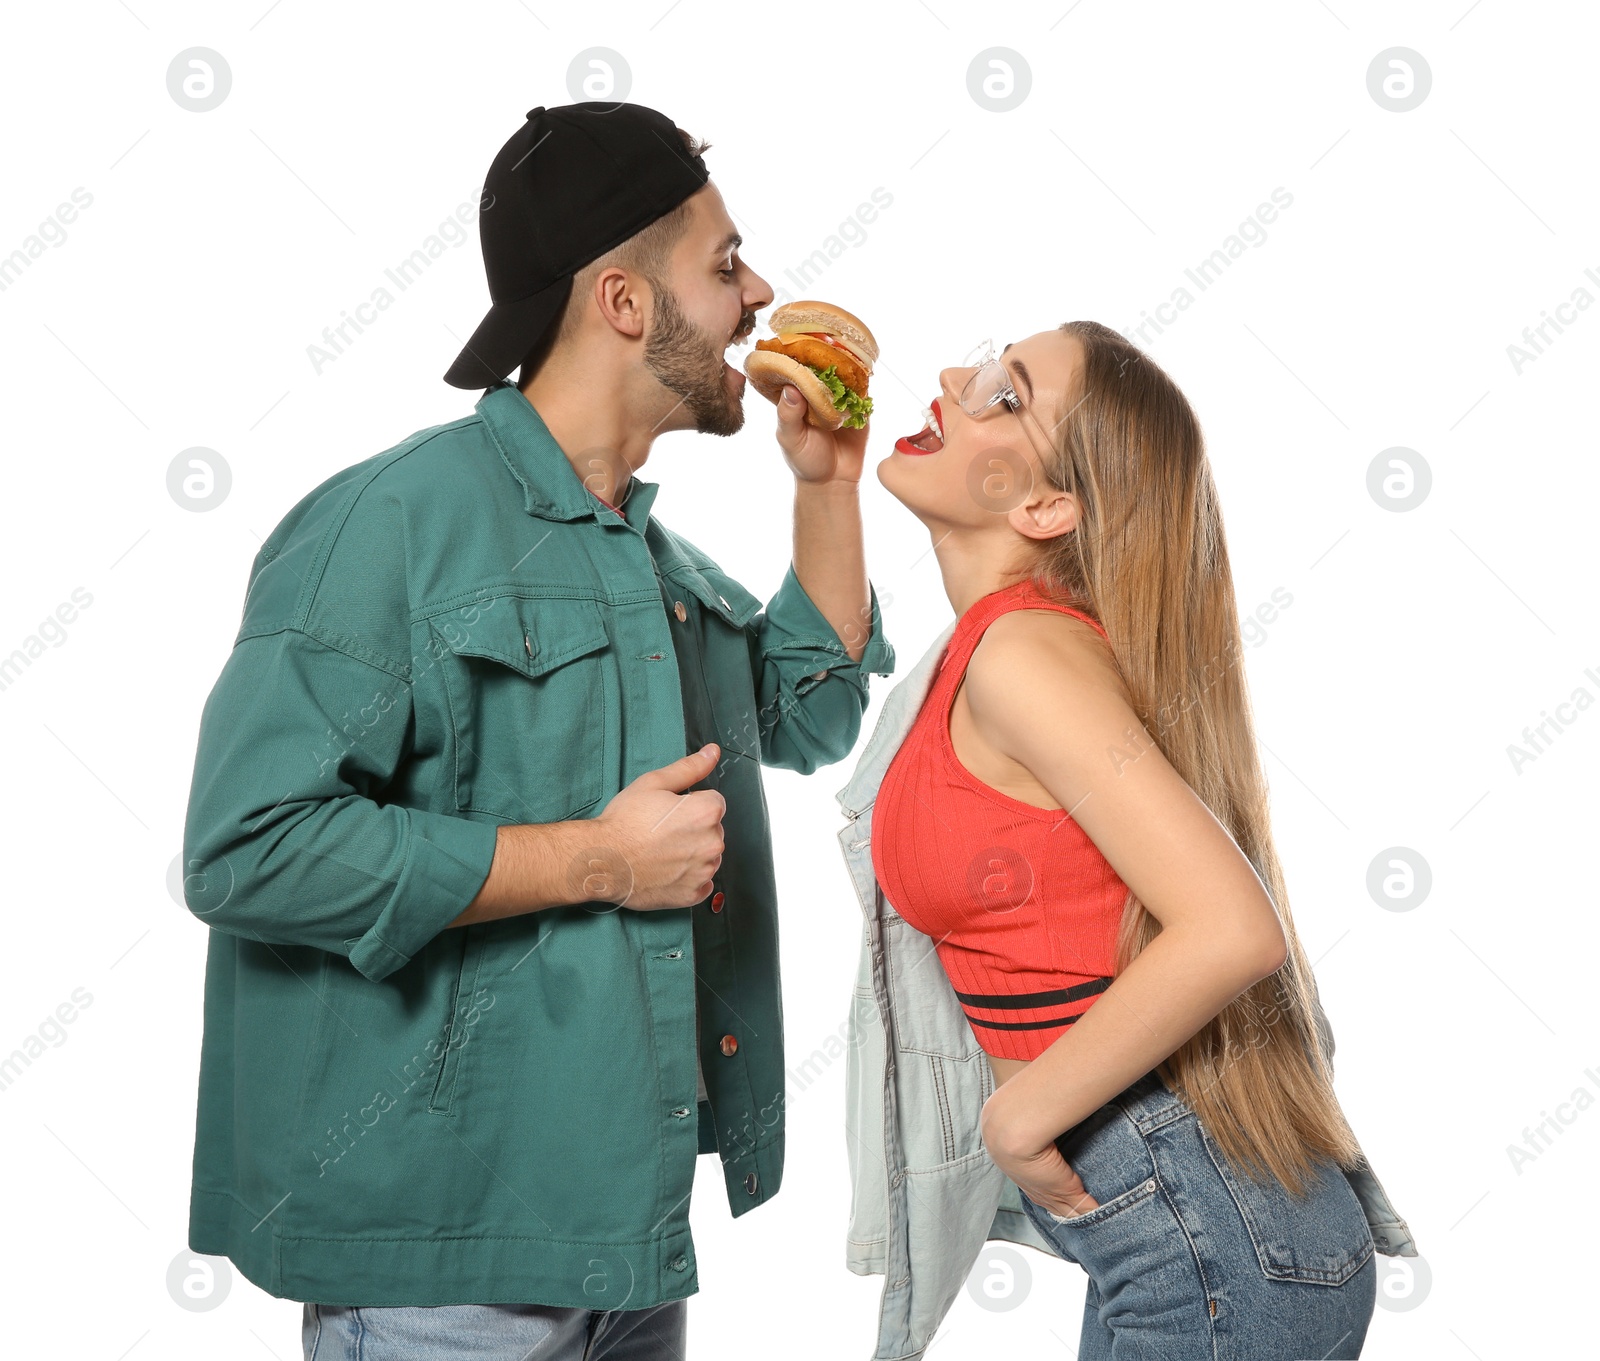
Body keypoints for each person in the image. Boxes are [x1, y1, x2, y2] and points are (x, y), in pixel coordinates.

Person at [177, 101, 895, 1361]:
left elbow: (805, 710)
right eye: (724, 264)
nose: (760, 292)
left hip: (619, 1236)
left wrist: (827, 488)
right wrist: (598, 859)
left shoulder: (645, 558)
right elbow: (248, 845)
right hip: (437, 1267)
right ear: (622, 301)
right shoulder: (388, 523)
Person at [835, 322, 1417, 1358]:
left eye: (1003, 396)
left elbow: (1231, 923)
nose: (949, 386)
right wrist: (819, 486)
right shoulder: (998, 646)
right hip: (1194, 1223)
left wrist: (1015, 1121)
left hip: (1205, 1231)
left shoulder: (1022, 656)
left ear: (1045, 505)